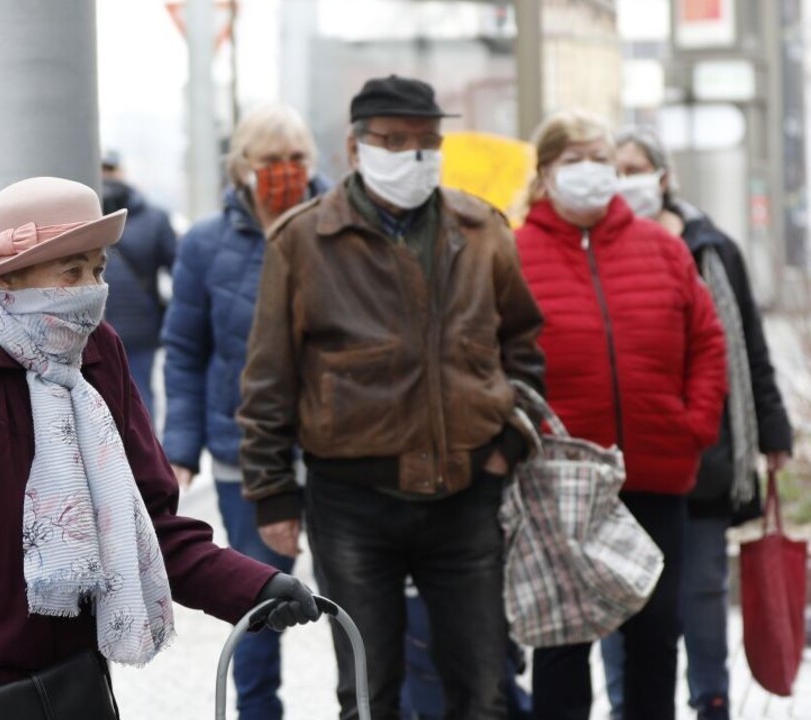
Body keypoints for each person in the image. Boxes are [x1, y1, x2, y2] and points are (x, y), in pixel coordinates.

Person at [0, 176, 321, 719]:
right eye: (71, 270)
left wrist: (255, 584)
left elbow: (145, 522)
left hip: (70, 688)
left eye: (98, 268)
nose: (92, 288)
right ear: (8, 275)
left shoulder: (96, 353)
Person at [238, 75, 547, 719]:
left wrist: (509, 445)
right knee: (368, 692)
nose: (415, 155)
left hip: (466, 493)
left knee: (484, 687)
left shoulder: (482, 229)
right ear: (355, 149)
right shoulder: (302, 241)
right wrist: (271, 491)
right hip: (351, 502)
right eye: (396, 140)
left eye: (428, 141)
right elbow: (270, 376)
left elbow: (524, 348)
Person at [514, 109, 728, 720]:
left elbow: (708, 341)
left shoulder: (662, 247)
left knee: (656, 633)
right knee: (563, 639)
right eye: (574, 159)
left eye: (600, 158)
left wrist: (694, 427)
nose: (591, 172)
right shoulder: (515, 251)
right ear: (546, 171)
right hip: (561, 483)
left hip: (657, 473)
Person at [597, 127, 793, 720]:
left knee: (703, 593)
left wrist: (772, 429)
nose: (626, 180)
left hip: (703, 454)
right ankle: (626, 702)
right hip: (622, 460)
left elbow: (746, 348)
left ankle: (711, 701)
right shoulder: (596, 248)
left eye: (637, 167)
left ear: (662, 175)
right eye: (616, 168)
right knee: (618, 591)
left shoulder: (712, 248)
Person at [162, 102, 327, 720]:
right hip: (245, 458)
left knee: (363, 607)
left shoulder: (339, 226)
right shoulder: (206, 244)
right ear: (242, 168)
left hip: (338, 451)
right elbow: (185, 350)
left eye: (297, 159)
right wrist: (180, 450)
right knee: (259, 606)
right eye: (271, 161)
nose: (286, 171)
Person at [99, 150, 177, 416]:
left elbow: (180, 272)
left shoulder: (154, 218)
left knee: (135, 403)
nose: (106, 175)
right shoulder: (153, 217)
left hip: (134, 333)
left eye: (110, 169)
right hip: (102, 330)